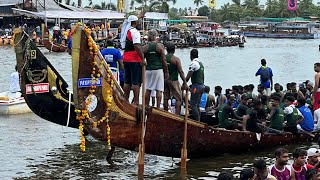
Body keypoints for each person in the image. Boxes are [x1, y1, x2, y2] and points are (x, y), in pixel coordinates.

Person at [121, 12, 145, 105]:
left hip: (126, 58)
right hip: (134, 59)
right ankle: (136, 102)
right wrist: (142, 58)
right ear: (135, 23)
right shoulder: (135, 32)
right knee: (136, 82)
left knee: (127, 81)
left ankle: (126, 100)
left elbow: (129, 21)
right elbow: (137, 46)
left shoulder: (125, 30)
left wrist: (139, 16)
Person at [143, 29, 169, 108]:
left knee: (148, 89)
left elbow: (142, 59)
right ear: (155, 36)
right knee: (159, 89)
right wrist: (166, 71)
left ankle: (146, 106)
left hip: (148, 70)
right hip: (158, 70)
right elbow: (164, 60)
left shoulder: (145, 47)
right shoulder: (159, 46)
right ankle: (158, 107)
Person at [163, 42, 188, 115]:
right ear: (174, 50)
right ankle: (177, 115)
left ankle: (165, 113)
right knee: (178, 98)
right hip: (173, 80)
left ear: (167, 50)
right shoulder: (176, 59)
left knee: (166, 97)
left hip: (165, 79)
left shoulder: (163, 58)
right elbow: (180, 71)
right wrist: (185, 82)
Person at [186, 49, 205, 121]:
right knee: (197, 105)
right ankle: (199, 120)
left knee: (193, 105)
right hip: (202, 86)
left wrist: (184, 84)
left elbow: (188, 77)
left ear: (191, 56)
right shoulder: (201, 64)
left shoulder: (193, 64)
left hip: (196, 86)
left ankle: (197, 121)